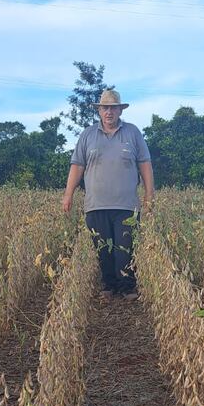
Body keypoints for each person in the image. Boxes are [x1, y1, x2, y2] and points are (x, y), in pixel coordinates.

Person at [62, 89, 155, 298]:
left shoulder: (133, 133)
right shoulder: (87, 135)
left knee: (124, 250)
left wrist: (150, 194)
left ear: (120, 110)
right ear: (99, 111)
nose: (109, 112)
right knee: (103, 250)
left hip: (126, 206)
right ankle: (108, 285)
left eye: (113, 108)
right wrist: (68, 194)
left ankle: (127, 286)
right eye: (105, 108)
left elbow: (145, 164)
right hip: (96, 205)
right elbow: (77, 166)